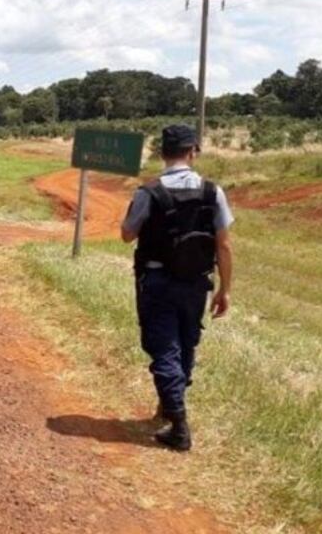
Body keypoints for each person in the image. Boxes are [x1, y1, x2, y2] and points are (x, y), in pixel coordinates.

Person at [120, 124, 234, 452]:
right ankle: (169, 406)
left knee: (163, 347)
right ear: (192, 152)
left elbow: (127, 235)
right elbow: (224, 246)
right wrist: (224, 290)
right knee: (185, 346)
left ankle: (179, 424)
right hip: (196, 284)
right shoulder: (214, 192)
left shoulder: (148, 192)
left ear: (162, 153)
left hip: (157, 282)